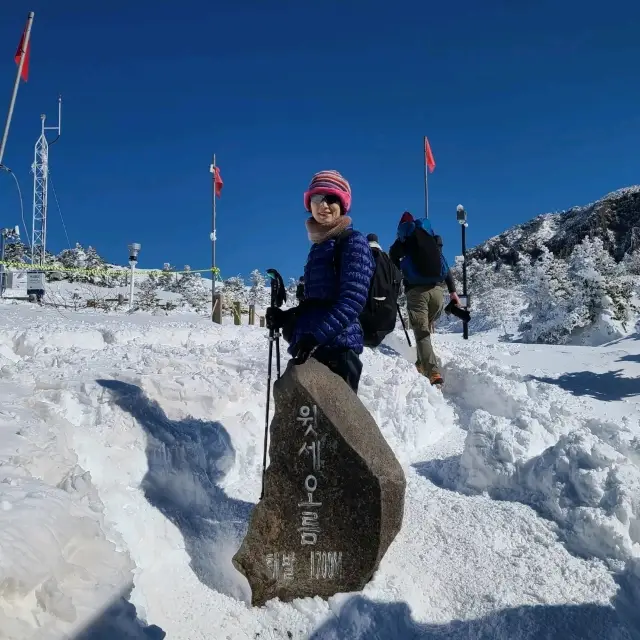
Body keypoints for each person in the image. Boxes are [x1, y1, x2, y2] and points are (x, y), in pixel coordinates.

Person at [266, 170, 375, 393]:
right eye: (317, 198)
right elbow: (315, 304)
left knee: (335, 425)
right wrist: (286, 318)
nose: (323, 204)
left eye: (331, 198)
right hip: (314, 350)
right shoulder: (319, 247)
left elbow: (352, 301)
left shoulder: (353, 241)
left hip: (337, 351)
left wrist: (316, 337)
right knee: (305, 424)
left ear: (343, 204)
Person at [389, 211, 460, 386]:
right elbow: (444, 265)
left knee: (421, 334)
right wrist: (452, 291)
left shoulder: (401, 242)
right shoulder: (430, 238)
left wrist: (395, 289)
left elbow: (395, 269)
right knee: (424, 328)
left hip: (416, 293)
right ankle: (421, 363)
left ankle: (433, 373)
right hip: (437, 291)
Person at [358, 233, 403, 348]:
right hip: (386, 315)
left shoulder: (362, 258)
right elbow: (398, 279)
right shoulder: (388, 262)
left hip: (365, 315)